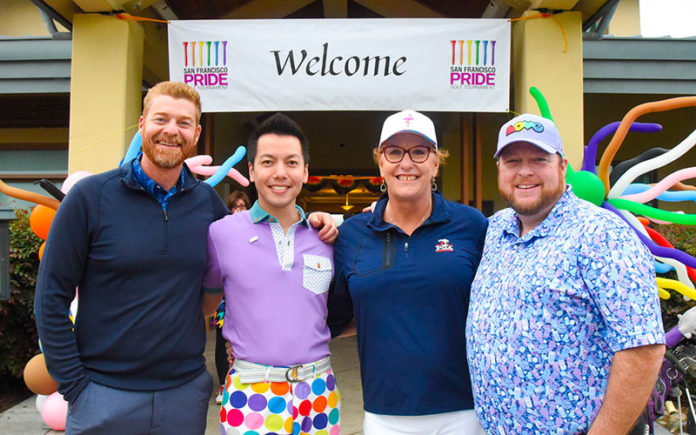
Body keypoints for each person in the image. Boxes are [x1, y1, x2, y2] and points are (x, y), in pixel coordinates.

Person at [34, 82, 337, 435]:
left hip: (182, 395)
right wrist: (75, 385)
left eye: (183, 122)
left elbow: (260, 252)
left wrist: (318, 221)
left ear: (196, 132)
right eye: (161, 119)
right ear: (142, 123)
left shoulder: (208, 208)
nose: (171, 131)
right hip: (103, 392)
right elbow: (50, 297)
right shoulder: (90, 198)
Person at [466, 113, 665, 434]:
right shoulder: (494, 229)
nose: (525, 171)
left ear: (562, 166)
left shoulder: (603, 235)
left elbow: (642, 349)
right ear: (500, 170)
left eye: (539, 159)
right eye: (512, 160)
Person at [328, 110, 488, 434]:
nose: (406, 163)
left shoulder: (472, 225)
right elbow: (336, 318)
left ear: (435, 163)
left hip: (464, 411)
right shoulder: (351, 236)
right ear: (380, 163)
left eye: (419, 151)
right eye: (394, 152)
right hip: (385, 414)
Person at [203, 113, 340, 435]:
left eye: (291, 163)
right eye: (268, 162)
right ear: (251, 170)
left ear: (305, 171)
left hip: (319, 390)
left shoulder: (327, 237)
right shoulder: (221, 234)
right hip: (252, 391)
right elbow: (205, 306)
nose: (280, 173)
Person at [211, 190, 251, 405]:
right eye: (234, 206)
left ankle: (243, 382)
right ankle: (223, 385)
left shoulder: (256, 229)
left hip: (247, 299)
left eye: (242, 206)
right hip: (224, 299)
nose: (238, 210)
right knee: (221, 340)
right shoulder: (222, 231)